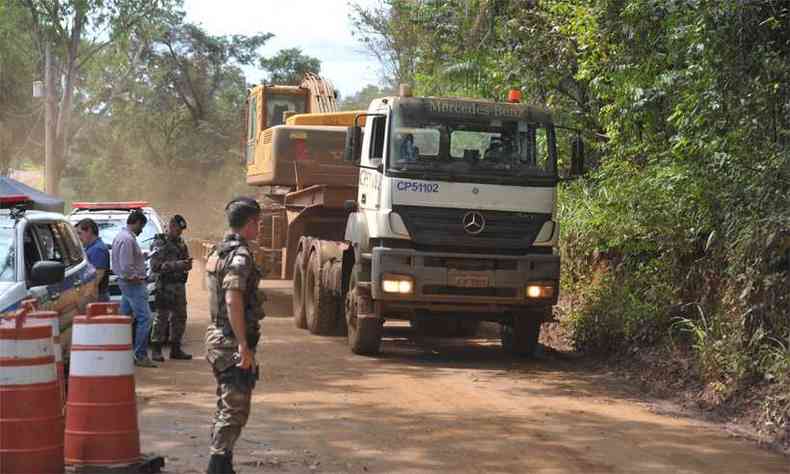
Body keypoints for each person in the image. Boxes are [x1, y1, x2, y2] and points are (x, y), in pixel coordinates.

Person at [204, 197, 265, 474]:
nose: (260, 228)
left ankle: (223, 463)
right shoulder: (239, 255)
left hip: (218, 336)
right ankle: (217, 464)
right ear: (250, 222)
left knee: (227, 404)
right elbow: (232, 299)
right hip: (229, 341)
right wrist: (243, 344)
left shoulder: (219, 250)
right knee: (235, 410)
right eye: (259, 223)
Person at [112, 209, 157, 368]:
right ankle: (140, 354)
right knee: (145, 318)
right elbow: (125, 267)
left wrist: (142, 256)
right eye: (141, 226)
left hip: (127, 285)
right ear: (137, 222)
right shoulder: (127, 239)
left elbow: (128, 260)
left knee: (124, 318)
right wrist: (136, 278)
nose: (142, 230)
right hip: (132, 284)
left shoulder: (122, 237)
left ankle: (119, 352)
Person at [149, 214, 193, 362]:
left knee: (180, 317)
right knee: (161, 318)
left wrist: (187, 265)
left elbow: (184, 261)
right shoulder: (160, 242)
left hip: (179, 286)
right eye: (178, 229)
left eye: (181, 230)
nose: (180, 232)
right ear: (171, 226)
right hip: (164, 286)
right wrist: (179, 265)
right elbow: (155, 266)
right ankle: (156, 349)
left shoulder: (181, 243)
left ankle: (176, 348)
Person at [75, 218, 110, 302]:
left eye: (79, 233)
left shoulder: (98, 249)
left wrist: (86, 295)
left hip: (96, 296)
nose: (78, 237)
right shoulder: (91, 248)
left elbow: (98, 275)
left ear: (89, 231)